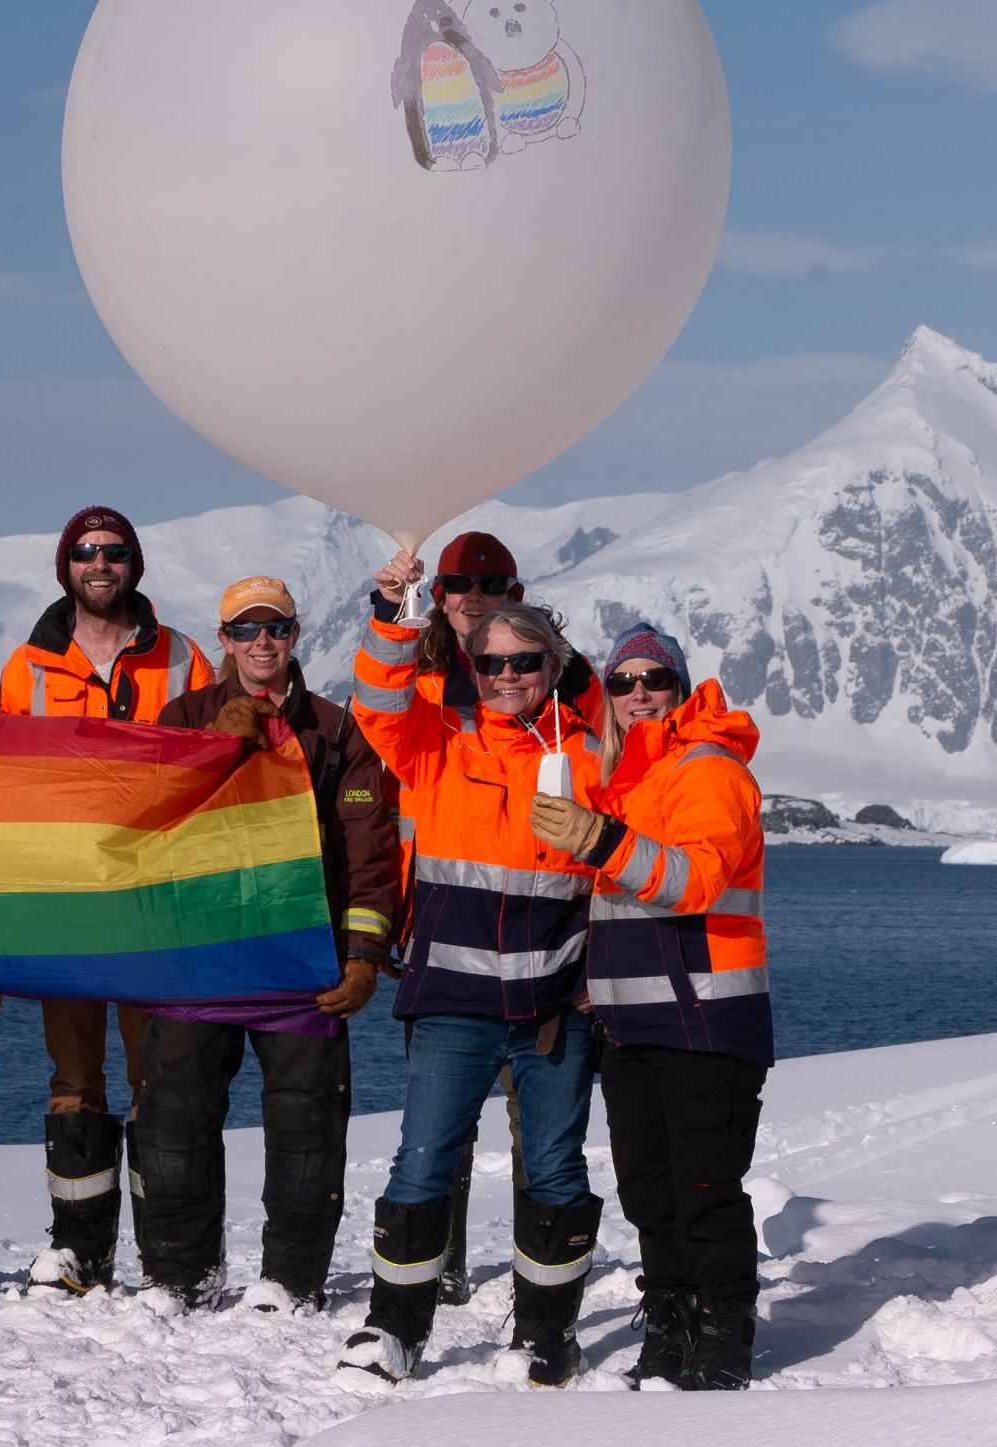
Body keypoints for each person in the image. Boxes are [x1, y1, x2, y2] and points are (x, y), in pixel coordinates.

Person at [340, 550, 604, 1387]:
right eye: (491, 663)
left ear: (553, 668)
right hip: (453, 1000)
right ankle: (394, 1329)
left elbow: (629, 867)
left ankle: (547, 1333)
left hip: (556, 1009)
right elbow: (377, 703)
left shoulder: (593, 758)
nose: (509, 676)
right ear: (473, 670)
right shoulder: (435, 745)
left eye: (526, 662)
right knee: (423, 1160)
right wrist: (392, 611)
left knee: (557, 1170)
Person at [138, 576, 400, 1313]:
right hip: (203, 952)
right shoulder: (182, 715)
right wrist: (212, 746)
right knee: (177, 1113)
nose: (262, 643)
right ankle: (179, 1273)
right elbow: (149, 819)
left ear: (296, 635)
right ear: (222, 640)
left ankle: (292, 1276)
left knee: (306, 1116)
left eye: (276, 629)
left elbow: (367, 845)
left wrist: (364, 954)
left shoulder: (335, 728)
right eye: (246, 630)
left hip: (302, 956)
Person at [526, 622, 768, 1390]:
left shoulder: (708, 769)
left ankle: (724, 1337)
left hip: (704, 1018)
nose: (637, 694)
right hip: (631, 1022)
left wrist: (601, 838)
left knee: (704, 1189)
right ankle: (668, 1327)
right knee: (648, 1192)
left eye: (653, 680)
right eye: (622, 681)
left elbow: (692, 880)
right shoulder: (625, 775)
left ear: (680, 687)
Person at [0, 505, 213, 1294]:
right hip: (65, 901)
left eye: (115, 551)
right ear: (67, 566)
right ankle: (79, 1249)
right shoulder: (26, 666)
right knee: (74, 1078)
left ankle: (167, 1255)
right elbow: (6, 786)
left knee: (160, 1075)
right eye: (86, 552)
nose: (100, 563)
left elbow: (217, 758)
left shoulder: (184, 656)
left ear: (133, 564)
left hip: (154, 900)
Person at [408, 531, 595, 1304]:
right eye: (458, 580)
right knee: (438, 1130)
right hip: (447, 937)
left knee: (543, 1137)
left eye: (493, 582)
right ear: (439, 591)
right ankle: (437, 1266)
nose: (474, 594)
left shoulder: (565, 687)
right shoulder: (420, 686)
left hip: (547, 960)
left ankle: (539, 1299)